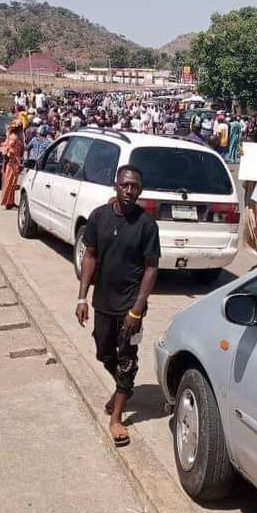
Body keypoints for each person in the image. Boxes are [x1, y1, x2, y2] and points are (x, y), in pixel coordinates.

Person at [75, 166, 160, 448]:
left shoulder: (147, 225)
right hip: (103, 302)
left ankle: (117, 417)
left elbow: (150, 269)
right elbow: (90, 256)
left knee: (126, 358)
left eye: (135, 187)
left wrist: (137, 309)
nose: (130, 191)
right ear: (116, 186)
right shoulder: (99, 217)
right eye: (125, 185)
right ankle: (125, 386)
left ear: (140, 190)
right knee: (103, 352)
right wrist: (82, 297)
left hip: (130, 307)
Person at [0, 121, 23, 210]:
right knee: (10, 183)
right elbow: (9, 151)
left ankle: (10, 202)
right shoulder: (14, 138)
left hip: (12, 163)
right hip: (12, 164)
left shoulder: (10, 136)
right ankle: (8, 203)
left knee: (11, 183)